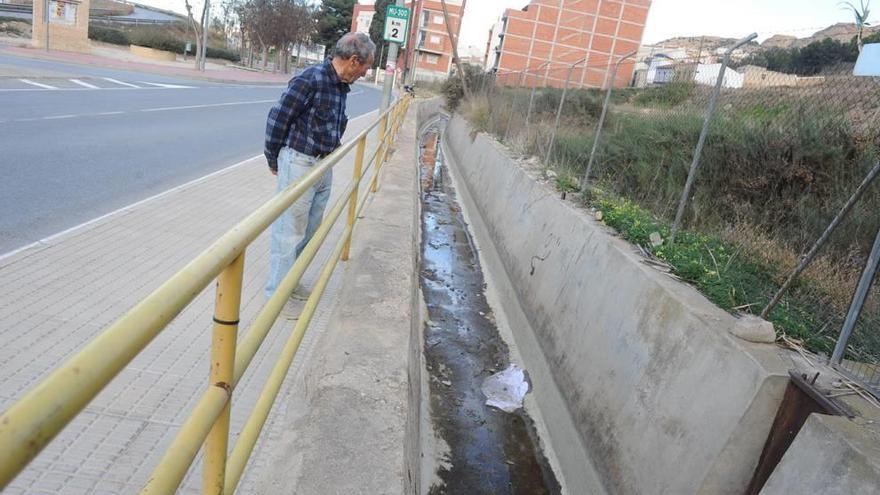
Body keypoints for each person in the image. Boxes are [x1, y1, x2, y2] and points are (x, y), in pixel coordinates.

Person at [264, 32, 376, 299]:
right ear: (353, 60)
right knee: (288, 232)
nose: (364, 74)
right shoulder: (310, 79)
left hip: (324, 165)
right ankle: (276, 296)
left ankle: (289, 283)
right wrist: (274, 159)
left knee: (311, 231)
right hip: (300, 163)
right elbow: (278, 118)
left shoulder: (340, 85)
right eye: (365, 67)